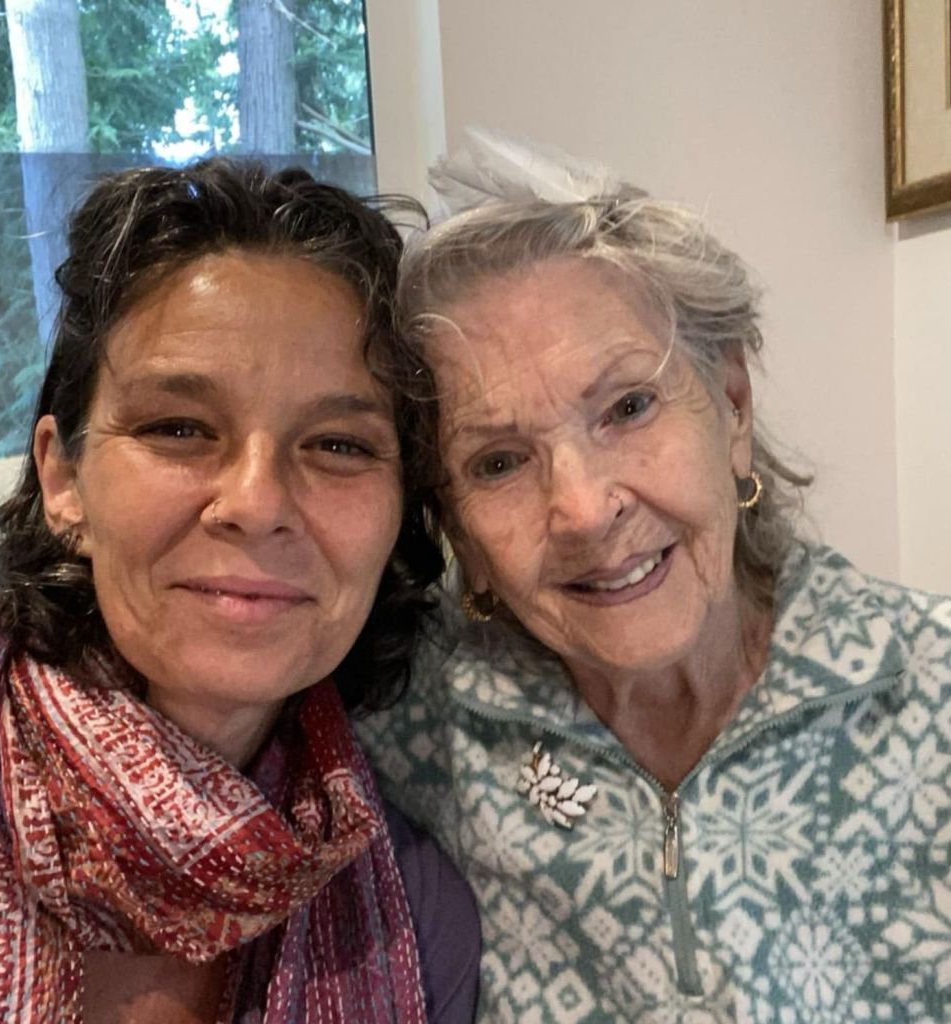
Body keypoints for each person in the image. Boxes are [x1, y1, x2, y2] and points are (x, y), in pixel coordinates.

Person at [358, 133, 951, 1023]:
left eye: (628, 407)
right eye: (498, 462)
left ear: (733, 406)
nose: (584, 509)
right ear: (455, 526)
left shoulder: (930, 692)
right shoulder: (411, 718)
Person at [0, 158, 479, 1024]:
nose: (258, 503)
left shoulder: (419, 919)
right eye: (179, 428)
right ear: (63, 479)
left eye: (338, 444)